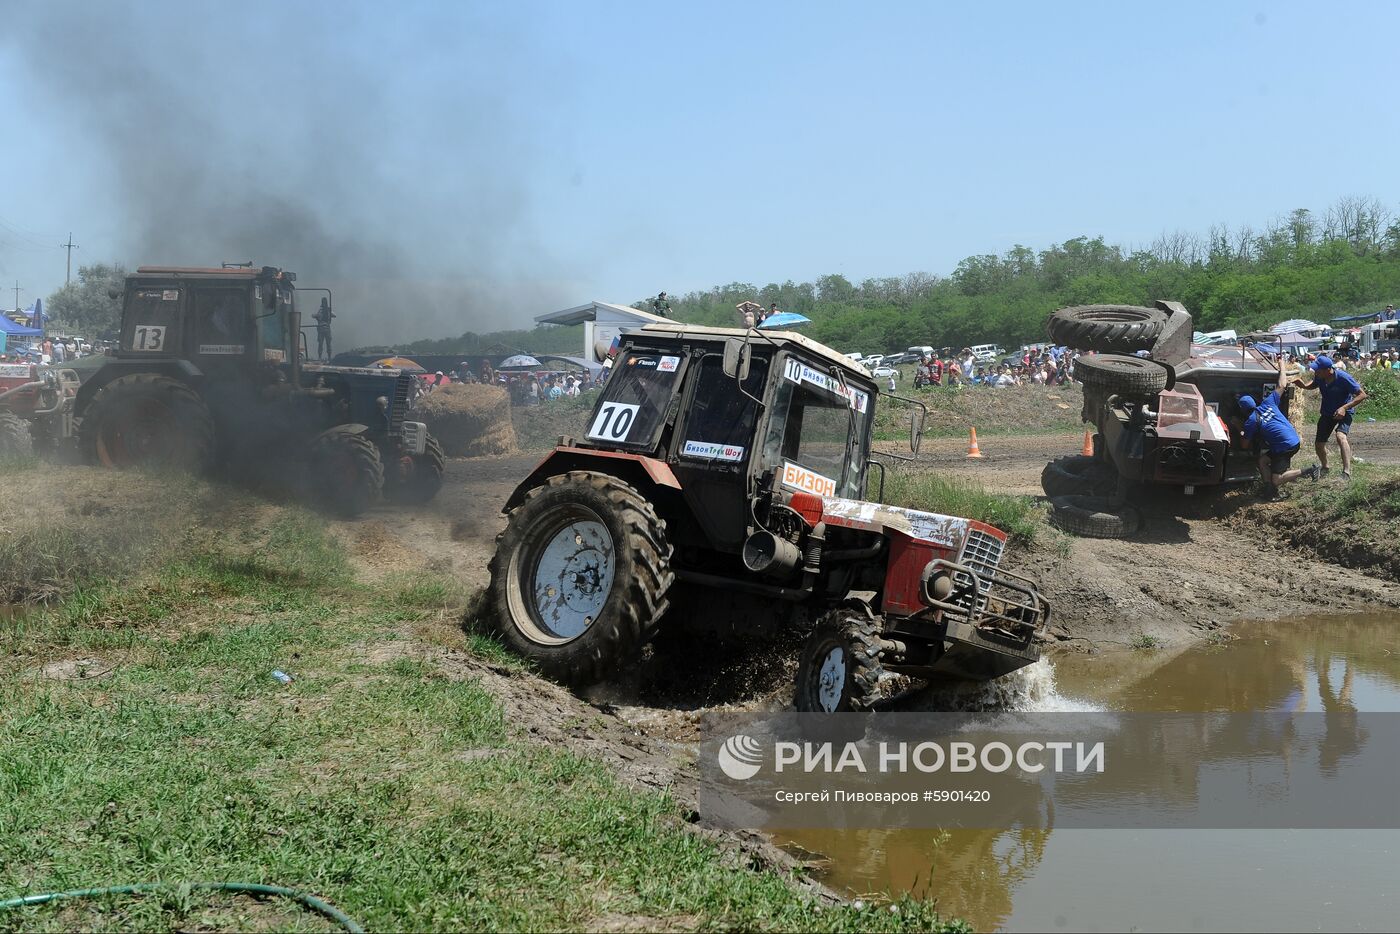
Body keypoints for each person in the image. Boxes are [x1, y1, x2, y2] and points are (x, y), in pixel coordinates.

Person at [1237, 352, 1320, 499]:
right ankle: (1269, 490)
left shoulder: (1251, 420)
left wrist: (1238, 427)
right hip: (1290, 438)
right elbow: (1282, 384)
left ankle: (1309, 470)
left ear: (1243, 410)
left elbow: (1244, 445)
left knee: (1277, 478)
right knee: (1263, 460)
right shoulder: (1268, 402)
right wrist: (1282, 364)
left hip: (1286, 446)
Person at [1294, 354, 1368, 481]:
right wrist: (1304, 386)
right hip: (1327, 413)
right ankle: (1325, 467)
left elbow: (1362, 395)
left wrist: (1344, 408)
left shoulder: (1343, 378)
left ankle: (1346, 472)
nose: (1315, 372)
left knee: (1340, 436)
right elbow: (1314, 384)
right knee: (1319, 444)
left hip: (1344, 412)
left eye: (1318, 369)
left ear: (1328, 370)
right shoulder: (1320, 376)